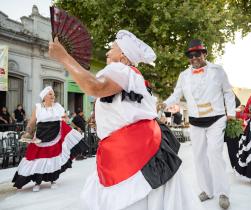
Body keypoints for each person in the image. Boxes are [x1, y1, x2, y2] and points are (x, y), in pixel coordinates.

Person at [49, 30, 202, 210]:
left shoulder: (120, 69)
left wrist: (64, 57)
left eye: (111, 48)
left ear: (123, 56)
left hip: (131, 151)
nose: (106, 52)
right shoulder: (131, 75)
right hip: (141, 145)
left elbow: (94, 87)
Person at [161, 39, 235, 209]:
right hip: (195, 121)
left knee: (215, 153)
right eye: (190, 55)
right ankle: (207, 190)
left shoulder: (218, 71)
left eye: (197, 54)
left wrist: (231, 113)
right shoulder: (183, 75)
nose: (194, 58)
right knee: (199, 156)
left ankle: (223, 192)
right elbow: (177, 94)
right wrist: (164, 104)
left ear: (205, 54)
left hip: (216, 118)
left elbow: (228, 92)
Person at [12, 86, 88, 192]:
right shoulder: (38, 107)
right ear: (44, 97)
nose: (53, 96)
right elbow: (32, 122)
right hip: (40, 136)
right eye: (50, 94)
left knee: (53, 158)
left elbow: (65, 119)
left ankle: (53, 180)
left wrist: (67, 120)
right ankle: (37, 182)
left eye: (53, 94)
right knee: (36, 158)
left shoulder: (58, 107)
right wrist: (28, 133)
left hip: (55, 134)